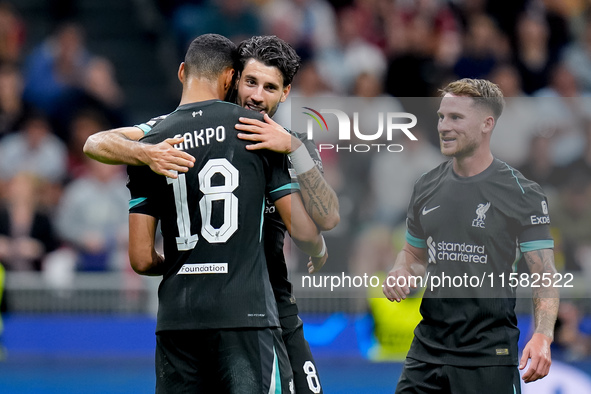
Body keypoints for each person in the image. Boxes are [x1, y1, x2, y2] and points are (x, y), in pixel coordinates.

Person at [84, 34, 339, 394]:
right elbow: (316, 232)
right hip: (248, 313)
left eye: (269, 87)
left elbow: (328, 218)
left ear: (285, 93)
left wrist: (294, 146)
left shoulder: (287, 144)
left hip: (266, 310)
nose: (256, 95)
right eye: (250, 81)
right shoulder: (235, 143)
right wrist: (317, 249)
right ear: (232, 79)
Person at [382, 78, 559, 394]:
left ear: (486, 124)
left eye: (456, 118)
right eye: (441, 117)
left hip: (489, 354)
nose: (443, 127)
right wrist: (402, 270)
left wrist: (543, 335)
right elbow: (413, 255)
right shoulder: (425, 186)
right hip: (427, 350)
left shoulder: (523, 194)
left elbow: (544, 274)